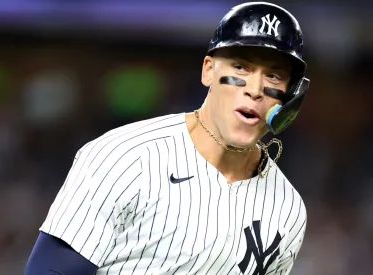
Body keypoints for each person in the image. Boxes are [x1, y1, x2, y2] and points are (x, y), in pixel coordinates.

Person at [25, 2, 310, 274]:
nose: (255, 89)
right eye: (241, 68)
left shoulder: (288, 209)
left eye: (274, 76)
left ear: (291, 95)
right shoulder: (125, 157)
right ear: (209, 70)